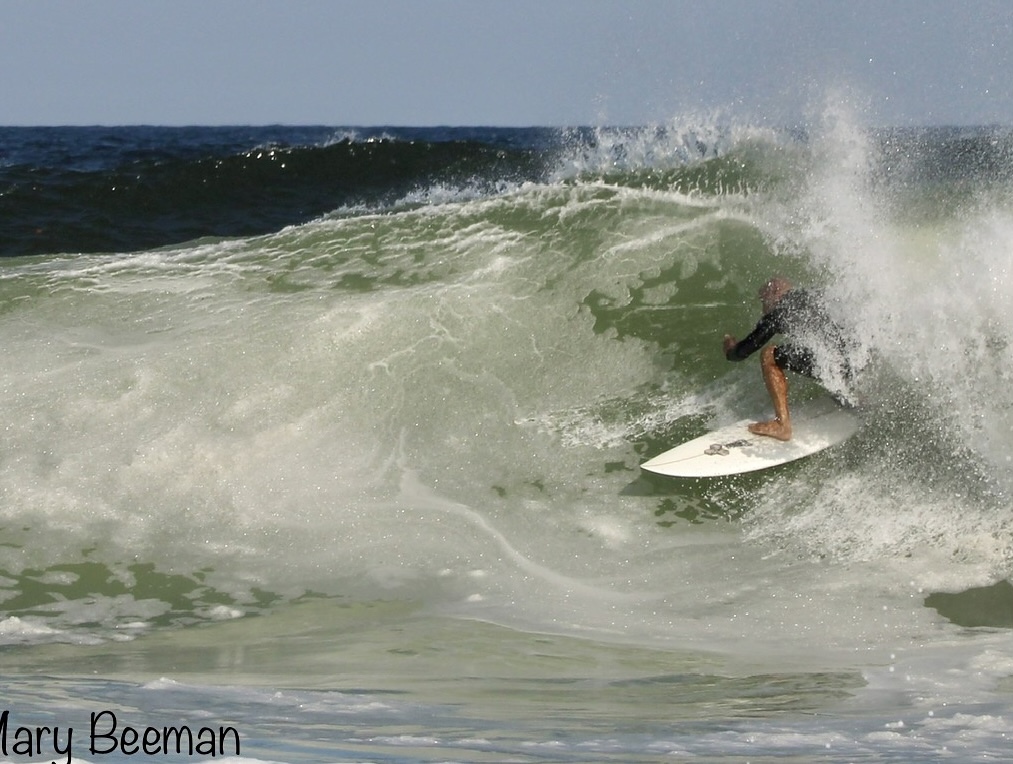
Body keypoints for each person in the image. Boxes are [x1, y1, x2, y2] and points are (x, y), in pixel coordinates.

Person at [722, 277, 852, 441]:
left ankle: (782, 425)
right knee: (830, 351)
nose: (763, 307)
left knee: (769, 354)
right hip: (857, 359)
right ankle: (854, 394)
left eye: (764, 299)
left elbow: (742, 352)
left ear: (775, 294)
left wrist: (730, 349)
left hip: (837, 364)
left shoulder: (780, 312)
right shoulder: (813, 294)